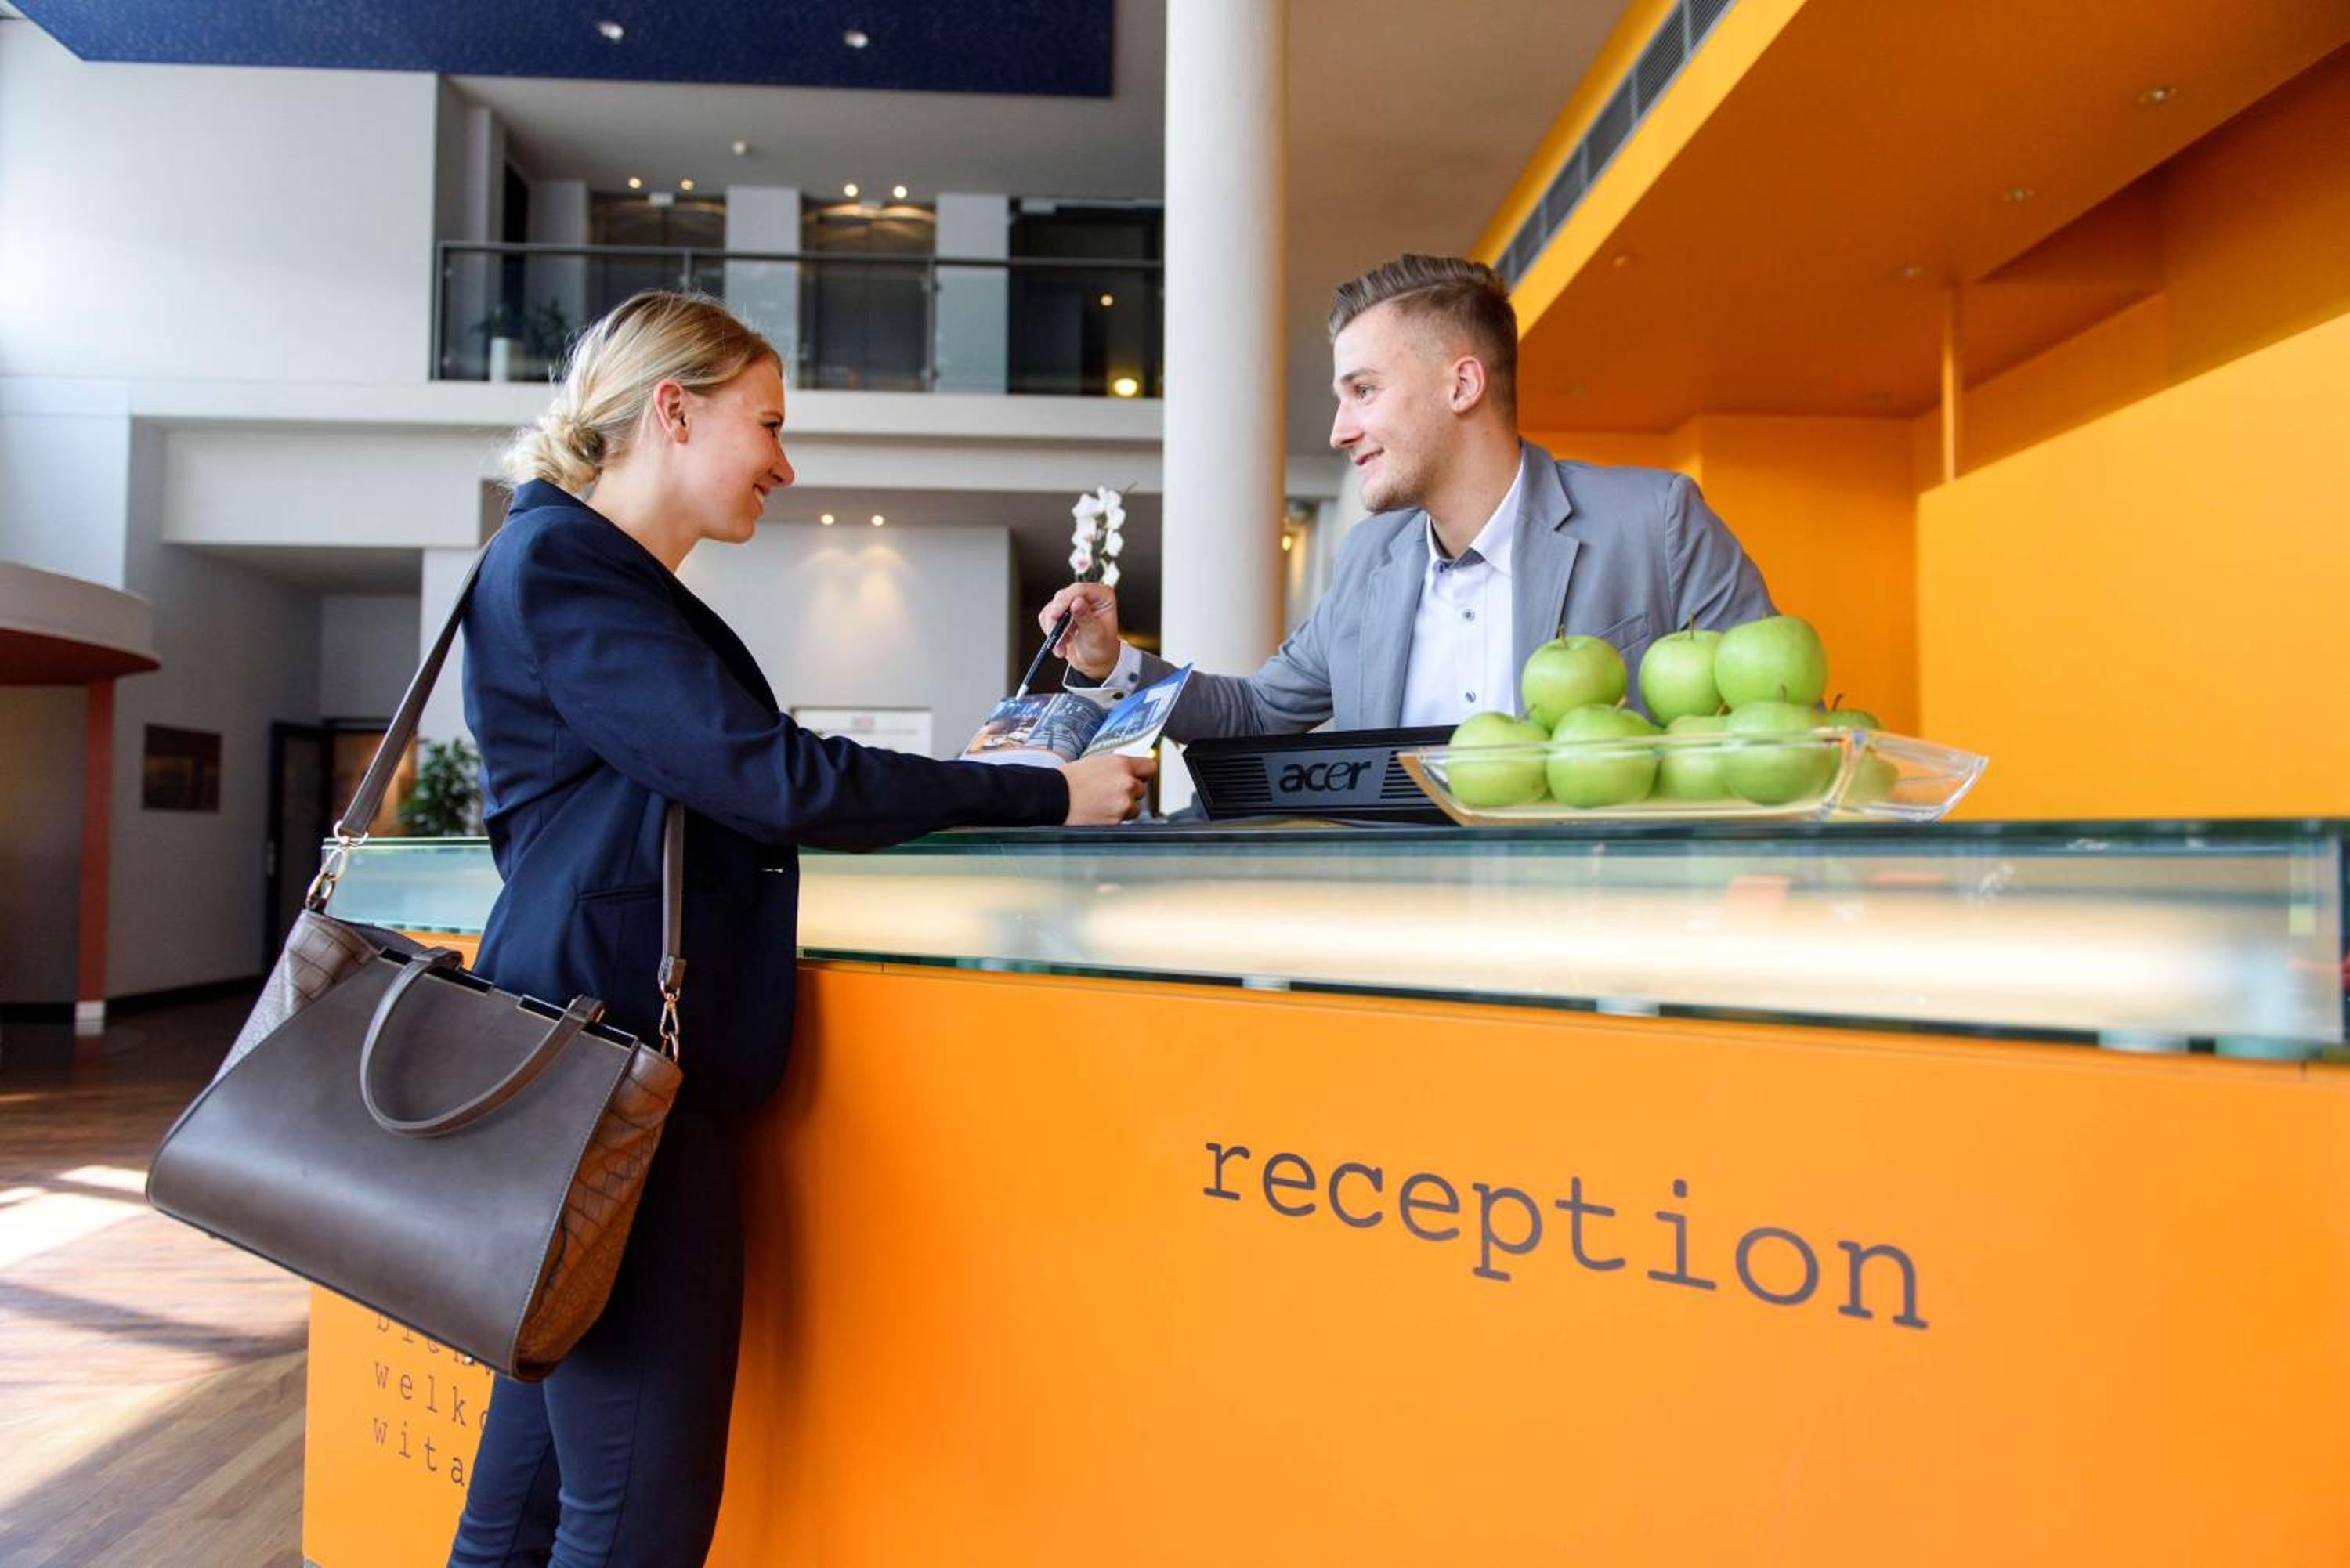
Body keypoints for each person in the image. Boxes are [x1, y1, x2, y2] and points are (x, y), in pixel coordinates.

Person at [446, 291, 1152, 1568]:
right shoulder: (563, 564)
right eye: (767, 423)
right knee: (632, 1514)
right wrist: (1044, 791)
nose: (784, 461)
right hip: (610, 1077)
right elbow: (770, 778)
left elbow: (723, 778)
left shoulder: (575, 565)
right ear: (673, 410)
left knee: (533, 1498)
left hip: (585, 1058)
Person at [1039, 255, 1777, 733]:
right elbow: (1258, 711)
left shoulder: (1657, 522)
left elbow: (1771, 721)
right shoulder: (1369, 558)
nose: (1340, 431)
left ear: (1463, 385)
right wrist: (1110, 661)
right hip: (1406, 923)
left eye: (1363, 390)